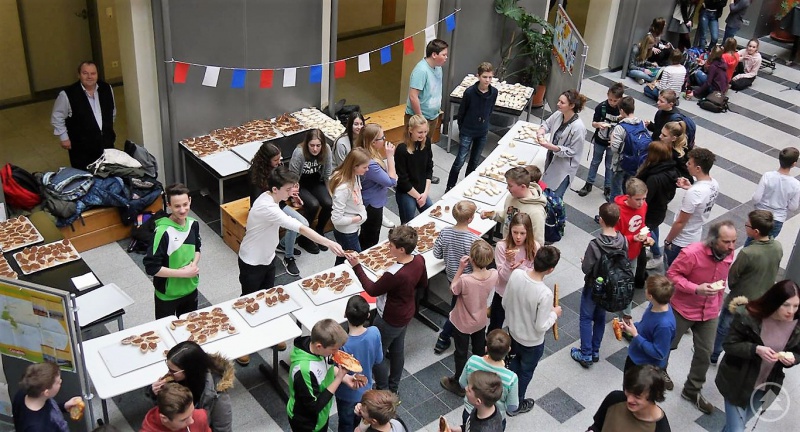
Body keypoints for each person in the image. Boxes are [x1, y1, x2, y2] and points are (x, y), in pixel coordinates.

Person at [238, 167, 343, 365]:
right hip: (252, 261)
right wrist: (328, 242)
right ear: (275, 189)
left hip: (267, 258)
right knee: (248, 302)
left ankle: (269, 334)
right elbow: (299, 227)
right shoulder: (266, 207)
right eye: (288, 189)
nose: (292, 191)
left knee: (267, 297)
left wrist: (292, 199)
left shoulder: (274, 199)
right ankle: (245, 345)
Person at [666, 220, 737, 414]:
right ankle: (659, 372)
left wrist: (718, 304)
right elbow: (672, 275)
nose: (732, 247)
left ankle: (692, 390)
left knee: (705, 353)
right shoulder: (691, 253)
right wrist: (695, 288)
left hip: (710, 312)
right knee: (668, 345)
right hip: (683, 308)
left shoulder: (728, 255)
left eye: (734, 241)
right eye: (726, 241)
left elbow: (722, 281)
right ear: (714, 240)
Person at [346, 225, 428, 393]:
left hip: (389, 318)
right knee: (398, 350)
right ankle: (393, 387)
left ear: (402, 249)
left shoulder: (395, 274)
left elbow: (372, 290)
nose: (388, 247)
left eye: (391, 245)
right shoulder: (419, 260)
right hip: (406, 313)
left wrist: (357, 266)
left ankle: (382, 388)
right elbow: (423, 283)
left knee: (378, 355)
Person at [715, 280, 800, 432]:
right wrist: (756, 349)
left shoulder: (796, 325)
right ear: (774, 302)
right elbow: (729, 345)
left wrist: (793, 358)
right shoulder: (748, 316)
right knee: (737, 430)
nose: (791, 311)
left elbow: (798, 352)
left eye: (796, 306)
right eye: (786, 305)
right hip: (737, 381)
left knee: (734, 427)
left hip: (767, 387)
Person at [711, 210, 783, 364]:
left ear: (755, 231)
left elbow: (733, 278)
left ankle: (714, 353)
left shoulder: (748, 252)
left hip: (739, 299)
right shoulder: (777, 246)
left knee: (724, 325)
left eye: (747, 225)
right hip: (762, 299)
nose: (745, 227)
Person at [503, 245, 563, 416]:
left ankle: (507, 389)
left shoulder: (516, 274)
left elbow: (505, 302)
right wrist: (554, 314)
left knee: (513, 363)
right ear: (550, 270)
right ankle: (516, 403)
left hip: (513, 333)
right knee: (525, 372)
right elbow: (541, 325)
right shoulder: (544, 293)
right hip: (532, 342)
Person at [571, 202, 627, 368]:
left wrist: (585, 262)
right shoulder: (623, 240)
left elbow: (586, 268)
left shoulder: (595, 244)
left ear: (601, 220)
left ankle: (585, 353)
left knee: (586, 318)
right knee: (600, 317)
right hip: (610, 288)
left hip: (593, 286)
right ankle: (595, 350)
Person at [440, 240, 499, 397]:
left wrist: (460, 268)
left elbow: (453, 289)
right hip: (480, 321)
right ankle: (480, 378)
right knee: (479, 349)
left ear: (471, 259)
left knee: (461, 352)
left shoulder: (466, 280)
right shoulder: (494, 274)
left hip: (462, 323)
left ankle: (459, 383)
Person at [287, 318, 362, 432]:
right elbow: (314, 407)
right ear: (319, 346)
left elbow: (326, 368)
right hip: (307, 423)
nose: (336, 353)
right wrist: (339, 378)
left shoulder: (322, 349)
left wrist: (346, 378)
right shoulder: (303, 370)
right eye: (334, 349)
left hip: (322, 415)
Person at [248, 142, 308, 276]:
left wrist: (292, 193)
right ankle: (288, 256)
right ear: (266, 160)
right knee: (295, 225)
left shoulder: (278, 166)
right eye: (275, 160)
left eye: (279, 158)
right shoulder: (255, 173)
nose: (279, 162)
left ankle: (283, 244)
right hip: (266, 208)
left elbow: (285, 183)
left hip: (279, 203)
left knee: (303, 223)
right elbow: (257, 200)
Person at [144, 183, 201, 319]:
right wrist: (183, 273)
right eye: (177, 206)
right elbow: (152, 268)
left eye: (185, 204)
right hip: (167, 295)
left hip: (190, 289)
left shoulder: (193, 224)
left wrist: (193, 264)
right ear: (169, 205)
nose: (182, 210)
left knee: (189, 329)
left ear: (190, 201)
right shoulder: (162, 232)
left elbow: (197, 249)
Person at [150, 341, 234, 432]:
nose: (169, 373)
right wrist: (157, 394)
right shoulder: (177, 379)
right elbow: (168, 410)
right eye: (168, 368)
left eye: (173, 371)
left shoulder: (218, 397)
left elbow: (223, 429)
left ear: (189, 370)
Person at [432, 200, 481, 355]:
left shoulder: (445, 232)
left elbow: (437, 254)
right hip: (466, 280)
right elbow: (476, 264)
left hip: (451, 275)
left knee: (457, 304)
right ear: (470, 219)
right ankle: (444, 336)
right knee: (457, 309)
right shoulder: (473, 240)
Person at [51, 61, 116, 169]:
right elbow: (57, 116)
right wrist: (64, 137)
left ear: (97, 75)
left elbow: (112, 111)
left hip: (106, 143)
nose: (89, 77)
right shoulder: (67, 94)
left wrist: (107, 128)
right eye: (85, 73)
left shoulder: (107, 88)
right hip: (81, 147)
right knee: (85, 175)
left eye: (93, 73)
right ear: (79, 75)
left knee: (107, 173)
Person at [662, 147, 719, 269]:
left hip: (681, 240)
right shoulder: (714, 183)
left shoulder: (695, 192)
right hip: (695, 234)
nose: (687, 165)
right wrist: (690, 188)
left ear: (698, 168)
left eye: (690, 163)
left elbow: (681, 222)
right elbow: (702, 200)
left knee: (671, 272)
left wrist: (668, 240)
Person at [447, 62, 498, 191]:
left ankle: (468, 185)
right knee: (460, 160)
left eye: (490, 77)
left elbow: (490, 109)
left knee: (474, 161)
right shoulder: (469, 92)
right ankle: (450, 186)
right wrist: (462, 129)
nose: (487, 80)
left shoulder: (494, 92)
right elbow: (462, 112)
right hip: (468, 131)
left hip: (482, 131)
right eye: (484, 77)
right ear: (478, 76)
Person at [335, 296, 384, 432]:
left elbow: (335, 370)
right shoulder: (374, 332)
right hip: (366, 390)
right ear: (368, 315)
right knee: (362, 422)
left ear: (345, 314)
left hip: (345, 394)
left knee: (345, 423)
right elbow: (378, 359)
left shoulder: (341, 344)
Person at [487, 213, 539, 333]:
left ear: (528, 232)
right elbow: (503, 277)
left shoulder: (534, 247)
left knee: (517, 327)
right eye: (515, 232)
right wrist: (508, 263)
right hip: (503, 293)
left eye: (522, 233)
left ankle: (514, 350)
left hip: (522, 294)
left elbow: (535, 275)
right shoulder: (501, 246)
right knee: (495, 325)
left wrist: (520, 268)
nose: (518, 237)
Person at [406, 38, 449, 184]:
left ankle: (425, 175)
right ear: (434, 54)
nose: (446, 57)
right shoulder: (421, 70)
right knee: (412, 149)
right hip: (419, 118)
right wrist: (420, 119)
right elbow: (413, 96)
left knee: (425, 147)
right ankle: (409, 178)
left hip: (433, 115)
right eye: (444, 54)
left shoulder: (439, 68)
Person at [614, 179, 654, 329]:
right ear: (628, 197)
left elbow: (642, 225)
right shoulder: (617, 211)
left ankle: (625, 315)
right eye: (638, 199)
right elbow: (614, 237)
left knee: (628, 285)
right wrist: (632, 238)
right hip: (618, 256)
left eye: (644, 198)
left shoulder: (643, 206)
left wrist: (646, 235)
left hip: (634, 253)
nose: (641, 203)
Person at [459, 329, 519, 424]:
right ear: (509, 350)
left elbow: (462, 383)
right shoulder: (511, 378)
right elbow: (512, 407)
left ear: (487, 346)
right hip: (495, 419)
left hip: (470, 411)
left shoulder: (473, 361)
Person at [636, 140, 680, 269]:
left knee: (648, 229)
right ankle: (654, 251)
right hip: (660, 207)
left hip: (651, 210)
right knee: (654, 228)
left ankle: (656, 254)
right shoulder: (671, 169)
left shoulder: (653, 177)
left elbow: (646, 198)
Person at [587, 365, 671, 431]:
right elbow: (597, 426)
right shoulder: (615, 398)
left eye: (637, 396)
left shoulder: (660, 428)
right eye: (628, 391)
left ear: (653, 396)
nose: (629, 400)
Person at [289, 129, 334, 250]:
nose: (315, 149)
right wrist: (293, 197)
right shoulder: (299, 153)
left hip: (315, 180)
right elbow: (293, 178)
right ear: (307, 144)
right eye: (312, 145)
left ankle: (319, 232)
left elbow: (327, 174)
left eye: (318, 146)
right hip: (300, 183)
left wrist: (330, 193)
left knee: (329, 203)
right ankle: (305, 238)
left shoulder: (327, 150)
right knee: (313, 205)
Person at [538, 89, 588, 198]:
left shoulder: (578, 128)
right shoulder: (558, 114)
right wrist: (541, 131)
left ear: (571, 106)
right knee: (545, 192)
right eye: (559, 101)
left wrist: (554, 148)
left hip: (564, 168)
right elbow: (547, 124)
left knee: (555, 199)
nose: (558, 104)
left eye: (562, 102)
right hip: (551, 159)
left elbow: (573, 151)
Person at [355, 123, 398, 249]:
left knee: (367, 234)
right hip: (372, 204)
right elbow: (391, 182)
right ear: (373, 142)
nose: (385, 139)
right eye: (382, 137)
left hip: (373, 201)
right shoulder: (371, 164)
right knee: (370, 237)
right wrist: (390, 156)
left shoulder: (367, 153)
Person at [620, 275, 676, 372]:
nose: (645, 290)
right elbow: (646, 326)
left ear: (650, 296)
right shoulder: (654, 304)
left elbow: (659, 353)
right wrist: (633, 327)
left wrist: (635, 335)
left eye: (646, 289)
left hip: (645, 368)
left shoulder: (664, 325)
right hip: (635, 356)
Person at [577, 82, 624, 199]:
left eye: (615, 100)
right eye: (610, 99)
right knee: (594, 162)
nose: (612, 102)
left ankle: (608, 187)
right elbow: (593, 123)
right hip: (600, 140)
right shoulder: (601, 107)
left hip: (612, 144)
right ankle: (589, 184)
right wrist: (599, 124)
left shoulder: (622, 110)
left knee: (609, 165)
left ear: (620, 99)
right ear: (607, 95)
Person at [482, 166, 547, 247]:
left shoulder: (536, 213)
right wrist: (491, 214)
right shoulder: (511, 197)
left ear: (523, 186)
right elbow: (507, 217)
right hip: (507, 246)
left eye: (510, 185)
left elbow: (538, 243)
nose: (507, 188)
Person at [12, 362, 83, 432]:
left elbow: (48, 409)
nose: (61, 381)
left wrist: (64, 406)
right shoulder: (37, 428)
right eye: (58, 382)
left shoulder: (25, 393)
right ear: (46, 392)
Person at [749, 146, 800, 243]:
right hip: (777, 219)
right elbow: (793, 207)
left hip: (760, 216)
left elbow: (756, 198)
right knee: (766, 244)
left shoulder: (767, 176)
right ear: (794, 164)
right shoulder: (796, 184)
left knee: (751, 242)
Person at [329, 147, 370, 266]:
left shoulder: (354, 175)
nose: (367, 170)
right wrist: (357, 218)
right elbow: (336, 219)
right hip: (347, 231)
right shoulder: (343, 188)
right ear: (354, 166)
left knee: (343, 258)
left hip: (352, 227)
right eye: (364, 167)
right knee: (355, 261)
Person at [395, 115, 434, 224]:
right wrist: (418, 197)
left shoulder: (426, 142)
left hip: (422, 190)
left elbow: (429, 168)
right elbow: (403, 179)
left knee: (431, 216)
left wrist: (425, 193)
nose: (423, 135)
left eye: (425, 132)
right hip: (407, 191)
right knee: (408, 224)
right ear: (410, 130)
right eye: (420, 132)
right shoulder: (402, 150)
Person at [607, 96, 646, 201]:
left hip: (620, 163)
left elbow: (615, 148)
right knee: (628, 188)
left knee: (615, 191)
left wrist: (612, 140)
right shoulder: (641, 123)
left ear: (622, 110)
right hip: (635, 163)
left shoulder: (620, 127)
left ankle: (613, 213)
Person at [141, 383, 211, 432]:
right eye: (184, 420)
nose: (192, 421)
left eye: (192, 412)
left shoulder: (200, 417)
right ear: (164, 418)